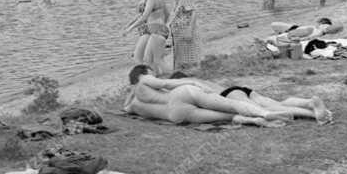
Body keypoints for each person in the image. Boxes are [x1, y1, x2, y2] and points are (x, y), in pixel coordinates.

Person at [124, 65, 291, 126]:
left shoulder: (135, 104)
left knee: (226, 116)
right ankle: (265, 113)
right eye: (152, 73)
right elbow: (166, 84)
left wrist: (132, 90)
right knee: (229, 104)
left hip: (174, 115)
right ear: (144, 73)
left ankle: (253, 120)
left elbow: (125, 107)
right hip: (182, 95)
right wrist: (193, 82)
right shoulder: (145, 77)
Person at [166, 72, 332, 123]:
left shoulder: (186, 86)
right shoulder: (198, 79)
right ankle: (309, 103)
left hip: (228, 95)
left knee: (267, 109)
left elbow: (208, 98)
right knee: (275, 103)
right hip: (239, 89)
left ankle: (313, 114)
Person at [168, 0, 200, 71]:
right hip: (179, 32)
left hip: (185, 31)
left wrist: (189, 30)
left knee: (189, 56)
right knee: (182, 57)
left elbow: (193, 12)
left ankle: (190, 74)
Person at [123, 0, 153, 65]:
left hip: (148, 31)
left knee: (138, 57)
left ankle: (147, 75)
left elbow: (144, 17)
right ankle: (154, 74)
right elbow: (140, 15)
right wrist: (129, 23)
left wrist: (130, 29)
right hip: (144, 31)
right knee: (148, 58)